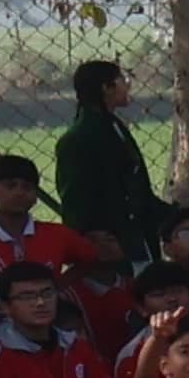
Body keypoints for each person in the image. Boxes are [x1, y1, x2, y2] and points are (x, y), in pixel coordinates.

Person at [47, 60, 157, 258]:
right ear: (106, 88)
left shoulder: (113, 125)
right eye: (122, 79)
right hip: (110, 244)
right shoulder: (79, 138)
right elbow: (75, 198)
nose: (128, 84)